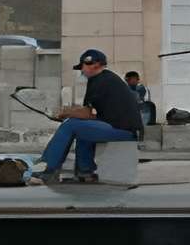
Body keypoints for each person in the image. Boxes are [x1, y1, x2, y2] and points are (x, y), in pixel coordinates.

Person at [35, 48, 144, 185]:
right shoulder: (105, 78)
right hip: (122, 128)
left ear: (95, 65)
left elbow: (88, 112)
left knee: (70, 125)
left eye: (83, 66)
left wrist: (65, 113)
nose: (81, 70)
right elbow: (91, 114)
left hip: (123, 131)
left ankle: (48, 169)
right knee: (81, 126)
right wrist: (70, 113)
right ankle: (85, 173)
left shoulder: (101, 81)